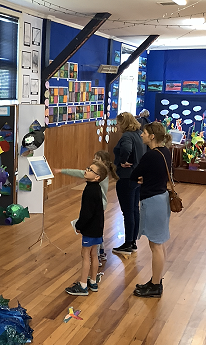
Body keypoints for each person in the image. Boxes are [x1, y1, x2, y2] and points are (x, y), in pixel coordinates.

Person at [53, 150, 118, 266]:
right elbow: (79, 172)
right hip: (100, 205)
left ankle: (97, 256)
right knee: (97, 231)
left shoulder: (99, 177)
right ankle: (101, 252)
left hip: (97, 205)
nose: (94, 160)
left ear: (103, 163)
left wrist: (61, 171)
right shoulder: (99, 175)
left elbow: (79, 173)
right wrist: (62, 171)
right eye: (94, 158)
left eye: (97, 159)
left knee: (93, 231)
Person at [130, 122, 172, 298]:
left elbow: (134, 174)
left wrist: (141, 178)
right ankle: (157, 280)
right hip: (162, 198)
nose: (142, 135)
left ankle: (155, 286)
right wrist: (145, 178)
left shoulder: (150, 155)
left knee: (155, 245)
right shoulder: (166, 152)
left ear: (152, 136)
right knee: (159, 243)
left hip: (153, 201)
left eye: (145, 132)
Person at [63, 160, 108, 296]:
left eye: (90, 170)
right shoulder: (97, 188)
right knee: (94, 254)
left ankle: (83, 285)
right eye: (88, 168)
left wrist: (79, 226)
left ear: (97, 177)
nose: (86, 170)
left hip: (90, 228)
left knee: (85, 255)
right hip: (98, 227)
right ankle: (93, 281)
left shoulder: (89, 190)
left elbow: (86, 213)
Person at [112, 112, 147, 256]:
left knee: (127, 212)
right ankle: (133, 242)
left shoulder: (127, 136)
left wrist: (122, 161)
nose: (117, 125)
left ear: (124, 123)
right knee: (134, 209)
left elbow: (126, 149)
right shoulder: (139, 134)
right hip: (137, 176)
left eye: (118, 123)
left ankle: (127, 243)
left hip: (126, 177)